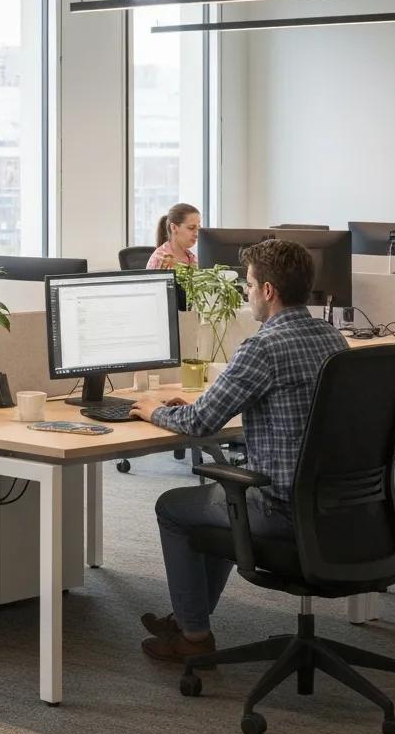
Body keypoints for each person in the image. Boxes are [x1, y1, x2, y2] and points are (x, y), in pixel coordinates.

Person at [129, 238, 347, 662]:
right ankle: (189, 619)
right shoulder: (332, 339)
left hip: (281, 508)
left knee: (173, 508)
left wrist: (154, 410)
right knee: (226, 502)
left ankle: (193, 635)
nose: (247, 294)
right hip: (336, 507)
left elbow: (200, 423)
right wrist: (195, 405)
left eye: (248, 285)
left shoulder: (263, 347)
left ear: (268, 290)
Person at [147, 202, 200, 270]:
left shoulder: (192, 257)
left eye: (198, 227)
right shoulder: (161, 259)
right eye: (191, 228)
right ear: (174, 228)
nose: (197, 233)